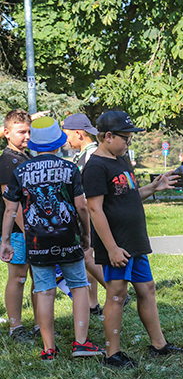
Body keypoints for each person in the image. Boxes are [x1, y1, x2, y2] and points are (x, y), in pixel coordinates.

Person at [83, 111, 183, 367]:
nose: (129, 143)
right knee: (117, 294)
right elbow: (95, 209)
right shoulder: (96, 166)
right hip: (116, 244)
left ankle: (159, 345)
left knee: (147, 289)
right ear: (108, 136)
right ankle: (113, 354)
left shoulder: (120, 160)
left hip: (135, 241)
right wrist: (111, 248)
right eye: (126, 139)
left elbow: (128, 196)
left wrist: (153, 187)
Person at [0, 118, 103, 360]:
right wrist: (86, 234)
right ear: (58, 144)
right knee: (78, 287)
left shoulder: (20, 171)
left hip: (36, 242)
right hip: (69, 238)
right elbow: (82, 207)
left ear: (34, 143)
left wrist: (5, 240)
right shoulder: (70, 169)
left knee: (44, 290)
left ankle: (48, 348)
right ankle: (81, 343)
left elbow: (10, 210)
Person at [63, 113, 108, 316]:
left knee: (87, 258)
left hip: (91, 212)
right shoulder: (81, 154)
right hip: (85, 213)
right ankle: (93, 303)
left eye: (68, 135)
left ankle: (118, 293)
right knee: (87, 260)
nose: (66, 140)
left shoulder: (91, 155)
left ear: (79, 134)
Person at [0, 109, 36, 344]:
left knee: (36, 275)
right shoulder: (6, 161)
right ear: (6, 133)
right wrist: (28, 231)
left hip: (33, 228)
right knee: (18, 275)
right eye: (21, 131)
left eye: (29, 132)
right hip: (17, 230)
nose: (26, 136)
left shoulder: (27, 157)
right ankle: (16, 327)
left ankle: (41, 322)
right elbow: (10, 202)